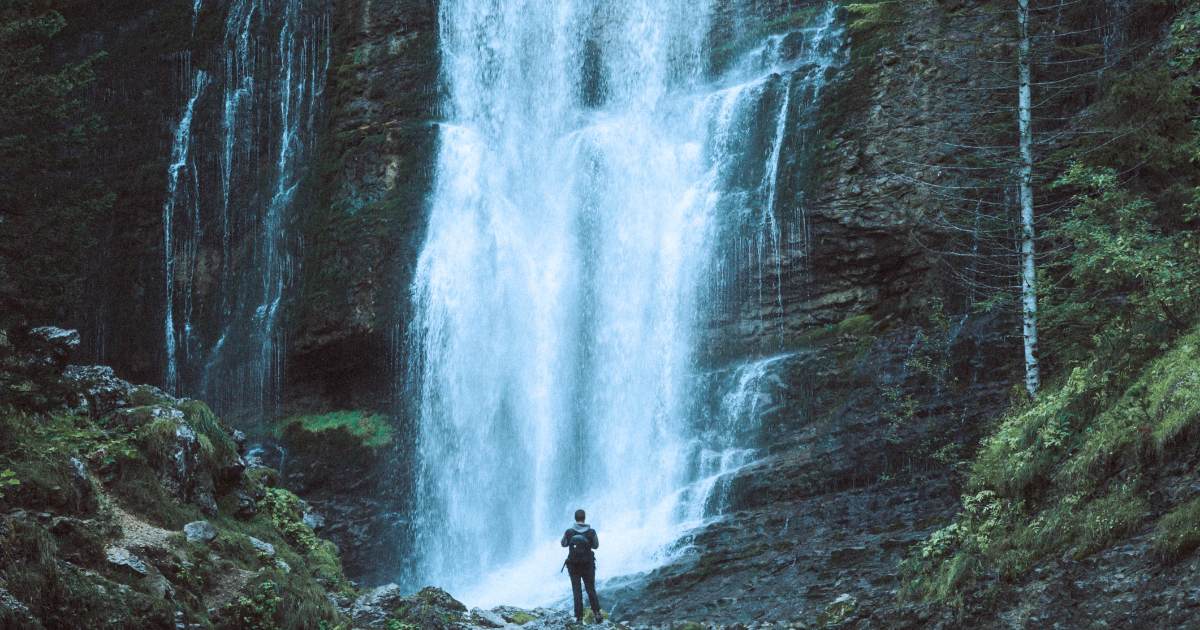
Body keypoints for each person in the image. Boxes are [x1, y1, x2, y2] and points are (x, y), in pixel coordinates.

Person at [561, 508, 602, 623]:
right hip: (588, 565)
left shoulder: (569, 532)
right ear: (584, 518)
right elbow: (596, 546)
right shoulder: (591, 532)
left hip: (573, 566)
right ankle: (597, 614)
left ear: (575, 518)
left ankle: (578, 618)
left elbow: (563, 544)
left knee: (576, 591)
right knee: (590, 589)